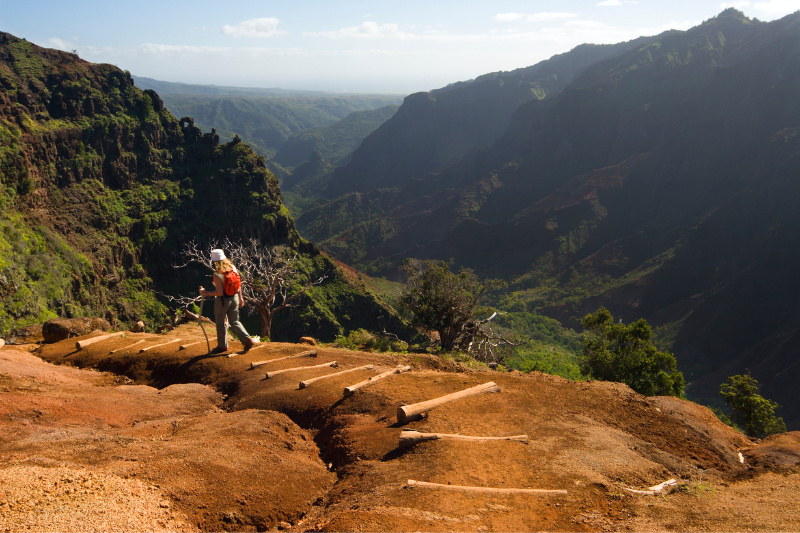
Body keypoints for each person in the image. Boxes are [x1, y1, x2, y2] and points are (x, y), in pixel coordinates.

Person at [198, 249, 257, 355]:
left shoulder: (217, 274)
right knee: (235, 321)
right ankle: (247, 340)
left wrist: (205, 292)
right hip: (234, 298)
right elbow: (238, 284)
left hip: (223, 301)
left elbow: (219, 292)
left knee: (220, 323)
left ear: (215, 261)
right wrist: (241, 298)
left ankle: (222, 346)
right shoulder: (233, 268)